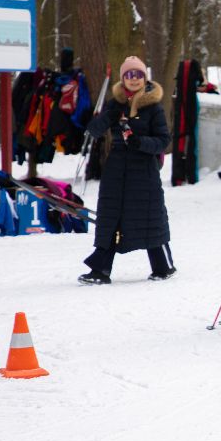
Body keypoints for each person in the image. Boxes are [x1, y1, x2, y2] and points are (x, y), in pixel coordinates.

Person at [79, 56, 175, 285]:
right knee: (110, 217)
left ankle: (163, 266)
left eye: (138, 75)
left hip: (144, 170)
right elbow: (93, 130)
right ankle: (100, 269)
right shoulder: (115, 104)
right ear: (123, 79)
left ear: (145, 78)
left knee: (150, 217)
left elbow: (163, 140)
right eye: (129, 75)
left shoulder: (153, 106)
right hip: (116, 169)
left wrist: (139, 142)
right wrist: (106, 117)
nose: (134, 79)